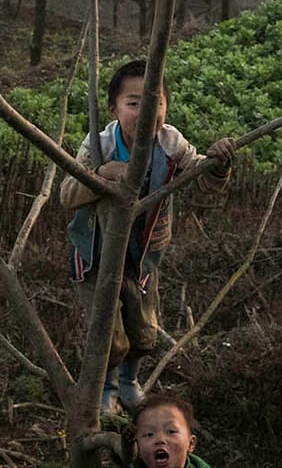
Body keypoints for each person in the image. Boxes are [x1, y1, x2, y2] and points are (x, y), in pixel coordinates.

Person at [63, 59, 235, 413]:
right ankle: (106, 389)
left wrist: (219, 166)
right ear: (114, 108)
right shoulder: (100, 145)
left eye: (155, 103)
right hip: (97, 254)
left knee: (143, 331)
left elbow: (203, 181)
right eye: (133, 103)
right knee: (109, 333)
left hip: (143, 256)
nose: (144, 113)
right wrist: (102, 175)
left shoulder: (170, 143)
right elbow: (67, 194)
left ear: (167, 107)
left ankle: (129, 383)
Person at [126, 390, 254, 468]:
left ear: (191, 444)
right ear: (137, 445)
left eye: (171, 431)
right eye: (149, 434)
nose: (160, 440)